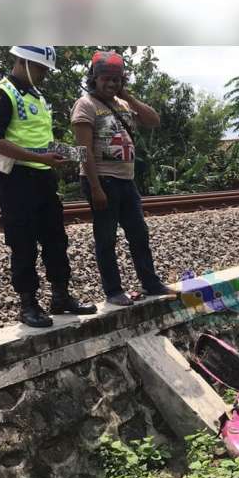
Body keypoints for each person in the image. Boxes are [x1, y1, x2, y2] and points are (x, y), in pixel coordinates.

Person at [0, 45, 97, 327]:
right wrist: (39, 158)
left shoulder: (37, 95)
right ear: (23, 61)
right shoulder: (1, 94)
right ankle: (28, 304)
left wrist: (80, 154)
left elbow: (41, 140)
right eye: (40, 68)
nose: (44, 74)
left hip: (44, 178)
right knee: (23, 243)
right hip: (17, 179)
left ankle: (60, 296)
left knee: (55, 238)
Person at [71, 50, 179, 306]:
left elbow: (154, 120)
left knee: (139, 233)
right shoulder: (85, 105)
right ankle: (113, 290)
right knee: (106, 237)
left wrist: (126, 95)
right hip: (102, 180)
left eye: (117, 79)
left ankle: (151, 282)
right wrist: (95, 188)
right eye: (106, 78)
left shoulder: (123, 104)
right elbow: (83, 151)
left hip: (125, 181)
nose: (111, 84)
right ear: (94, 79)